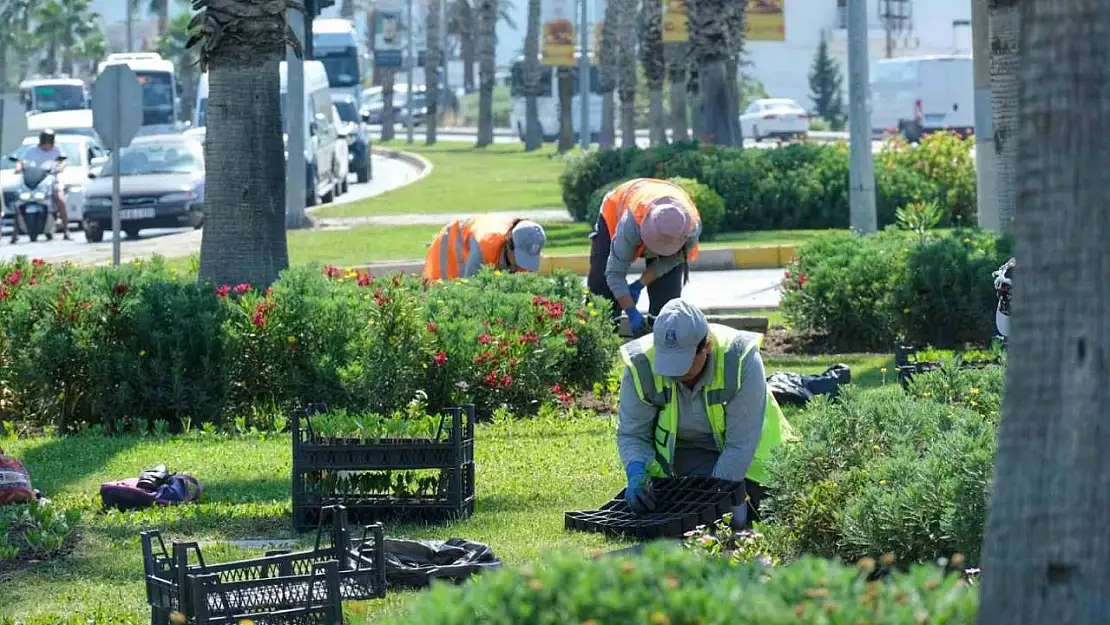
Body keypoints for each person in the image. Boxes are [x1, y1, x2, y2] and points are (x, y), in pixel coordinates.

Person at [616, 298, 794, 527]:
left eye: (683, 363)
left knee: (747, 519)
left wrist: (713, 502)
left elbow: (740, 445)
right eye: (668, 362)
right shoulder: (641, 363)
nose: (674, 373)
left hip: (754, 462)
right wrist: (636, 471)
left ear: (706, 347)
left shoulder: (740, 358)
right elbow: (633, 433)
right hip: (688, 457)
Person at [587, 178, 702, 334]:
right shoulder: (631, 223)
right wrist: (631, 311)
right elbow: (614, 273)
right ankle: (602, 338)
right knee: (601, 287)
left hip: (664, 213)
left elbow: (669, 262)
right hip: (615, 212)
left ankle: (662, 338)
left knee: (667, 294)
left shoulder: (690, 229)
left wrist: (639, 284)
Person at [422, 214, 547, 281]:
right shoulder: (484, 246)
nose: (522, 266)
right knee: (442, 295)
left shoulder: (530, 241)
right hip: (452, 244)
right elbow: (471, 289)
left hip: (479, 241)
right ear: (510, 245)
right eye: (519, 258)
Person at [13, 129, 70, 242]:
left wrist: (59, 168)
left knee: (60, 199)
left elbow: (62, 162)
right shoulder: (31, 150)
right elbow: (22, 162)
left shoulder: (57, 149)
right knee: (18, 202)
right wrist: (19, 168)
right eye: (45, 143)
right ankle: (15, 234)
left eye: (49, 143)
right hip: (35, 181)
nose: (47, 146)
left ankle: (66, 230)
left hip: (52, 179)